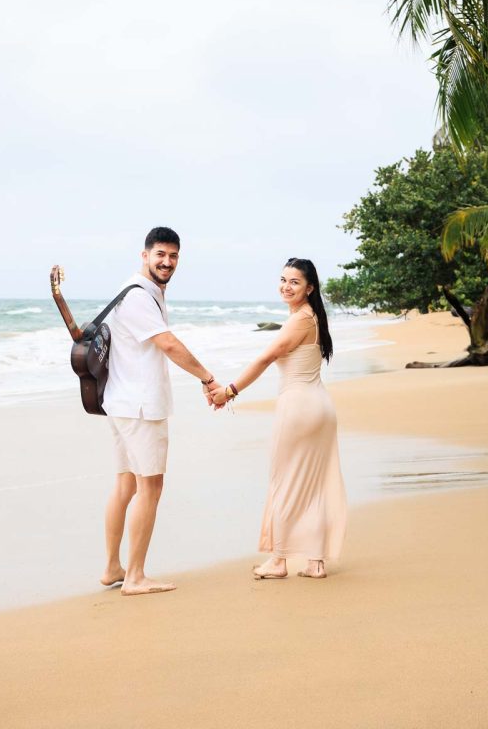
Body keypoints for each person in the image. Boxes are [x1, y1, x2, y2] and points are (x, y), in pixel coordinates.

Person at [100, 226, 221, 596]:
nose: (166, 262)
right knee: (150, 486)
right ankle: (135, 577)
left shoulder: (140, 292)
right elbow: (167, 343)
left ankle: (112, 568)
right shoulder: (139, 296)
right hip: (140, 407)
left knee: (126, 484)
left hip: (123, 402)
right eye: (160, 255)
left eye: (172, 256)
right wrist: (207, 378)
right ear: (144, 255)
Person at [212, 257, 346, 579]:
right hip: (320, 408)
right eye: (283, 279)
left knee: (284, 483)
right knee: (313, 485)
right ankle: (315, 562)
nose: (286, 286)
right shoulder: (312, 317)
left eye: (295, 282)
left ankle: (278, 560)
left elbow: (266, 357)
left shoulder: (300, 319)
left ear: (309, 288)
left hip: (299, 407)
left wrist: (229, 390)